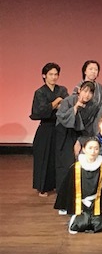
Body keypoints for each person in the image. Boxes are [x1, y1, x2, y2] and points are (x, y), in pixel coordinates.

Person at [53, 136, 102, 234]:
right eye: (90, 148)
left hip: (97, 204)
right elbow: (67, 189)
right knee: (79, 224)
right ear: (84, 149)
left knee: (99, 225)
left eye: (96, 148)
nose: (93, 151)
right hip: (80, 205)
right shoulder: (76, 167)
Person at [30, 62, 68, 197]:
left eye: (56, 74)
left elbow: (66, 106)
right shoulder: (40, 92)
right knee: (44, 158)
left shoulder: (62, 90)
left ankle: (58, 185)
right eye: (50, 74)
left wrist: (53, 105)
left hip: (60, 127)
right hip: (46, 128)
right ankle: (43, 187)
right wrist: (56, 102)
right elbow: (40, 111)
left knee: (58, 158)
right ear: (44, 75)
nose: (53, 77)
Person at [55, 80, 99, 195]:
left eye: (90, 92)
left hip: (80, 134)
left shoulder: (93, 106)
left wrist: (80, 140)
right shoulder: (68, 100)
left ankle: (78, 191)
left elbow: (90, 126)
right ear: (79, 90)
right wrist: (74, 108)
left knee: (79, 162)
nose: (87, 95)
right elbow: (61, 116)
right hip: (64, 133)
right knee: (64, 163)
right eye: (85, 91)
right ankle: (63, 193)